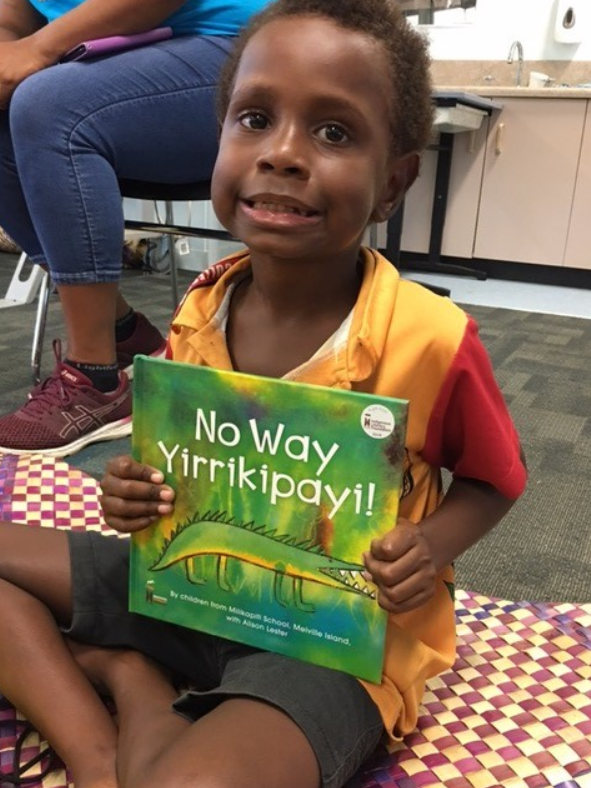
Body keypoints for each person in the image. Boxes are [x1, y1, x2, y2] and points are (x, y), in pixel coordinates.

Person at [0, 1, 528, 787]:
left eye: (334, 132)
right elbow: (179, 465)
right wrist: (132, 492)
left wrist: (430, 544)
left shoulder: (430, 337)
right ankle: (105, 741)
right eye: (252, 118)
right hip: (190, 587)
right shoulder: (201, 307)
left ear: (394, 182)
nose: (282, 153)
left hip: (334, 637)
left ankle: (127, 688)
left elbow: (495, 480)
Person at [0, 0, 270, 458]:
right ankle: (123, 331)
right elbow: (15, 12)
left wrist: (39, 49)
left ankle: (96, 379)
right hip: (110, 55)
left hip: (241, 51)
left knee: (48, 105)